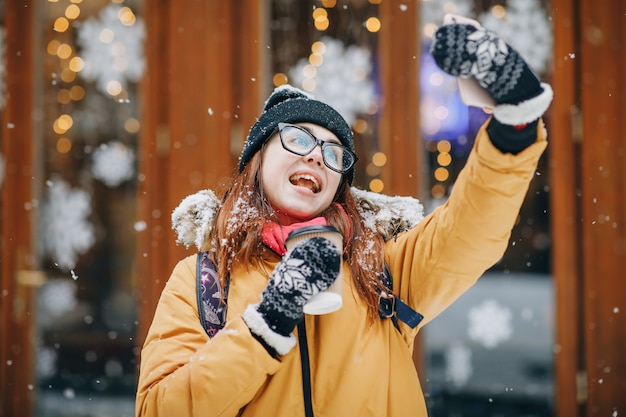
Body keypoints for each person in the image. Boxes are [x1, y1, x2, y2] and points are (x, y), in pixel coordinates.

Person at [135, 15, 552, 417]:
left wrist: (512, 124)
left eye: (334, 153)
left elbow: (471, 230)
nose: (316, 154)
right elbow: (160, 409)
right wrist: (266, 322)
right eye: (297, 138)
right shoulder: (205, 280)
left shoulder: (382, 270)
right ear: (257, 161)